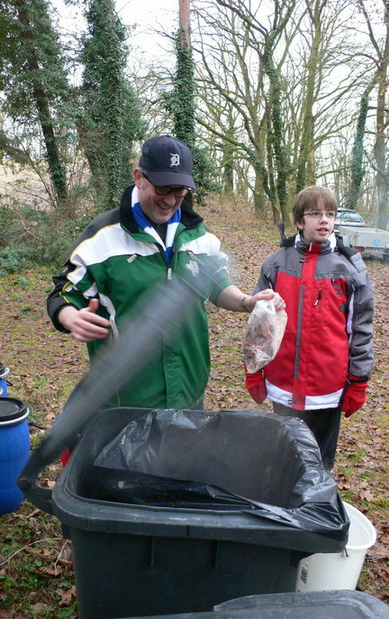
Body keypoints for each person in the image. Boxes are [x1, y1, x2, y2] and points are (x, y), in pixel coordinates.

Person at [48, 134, 284, 417]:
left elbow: (216, 284)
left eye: (180, 191)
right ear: (139, 177)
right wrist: (70, 317)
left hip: (188, 391)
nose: (171, 200)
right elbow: (63, 293)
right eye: (163, 189)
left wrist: (247, 301)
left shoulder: (199, 235)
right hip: (128, 399)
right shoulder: (103, 239)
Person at [245, 185, 374, 471]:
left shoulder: (350, 268)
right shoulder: (277, 264)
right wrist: (254, 372)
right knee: (285, 458)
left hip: (327, 387)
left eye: (330, 213)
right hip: (284, 384)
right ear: (300, 221)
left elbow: (361, 328)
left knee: (320, 464)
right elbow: (259, 325)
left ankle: (317, 507)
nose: (324, 220)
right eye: (315, 213)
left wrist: (359, 380)